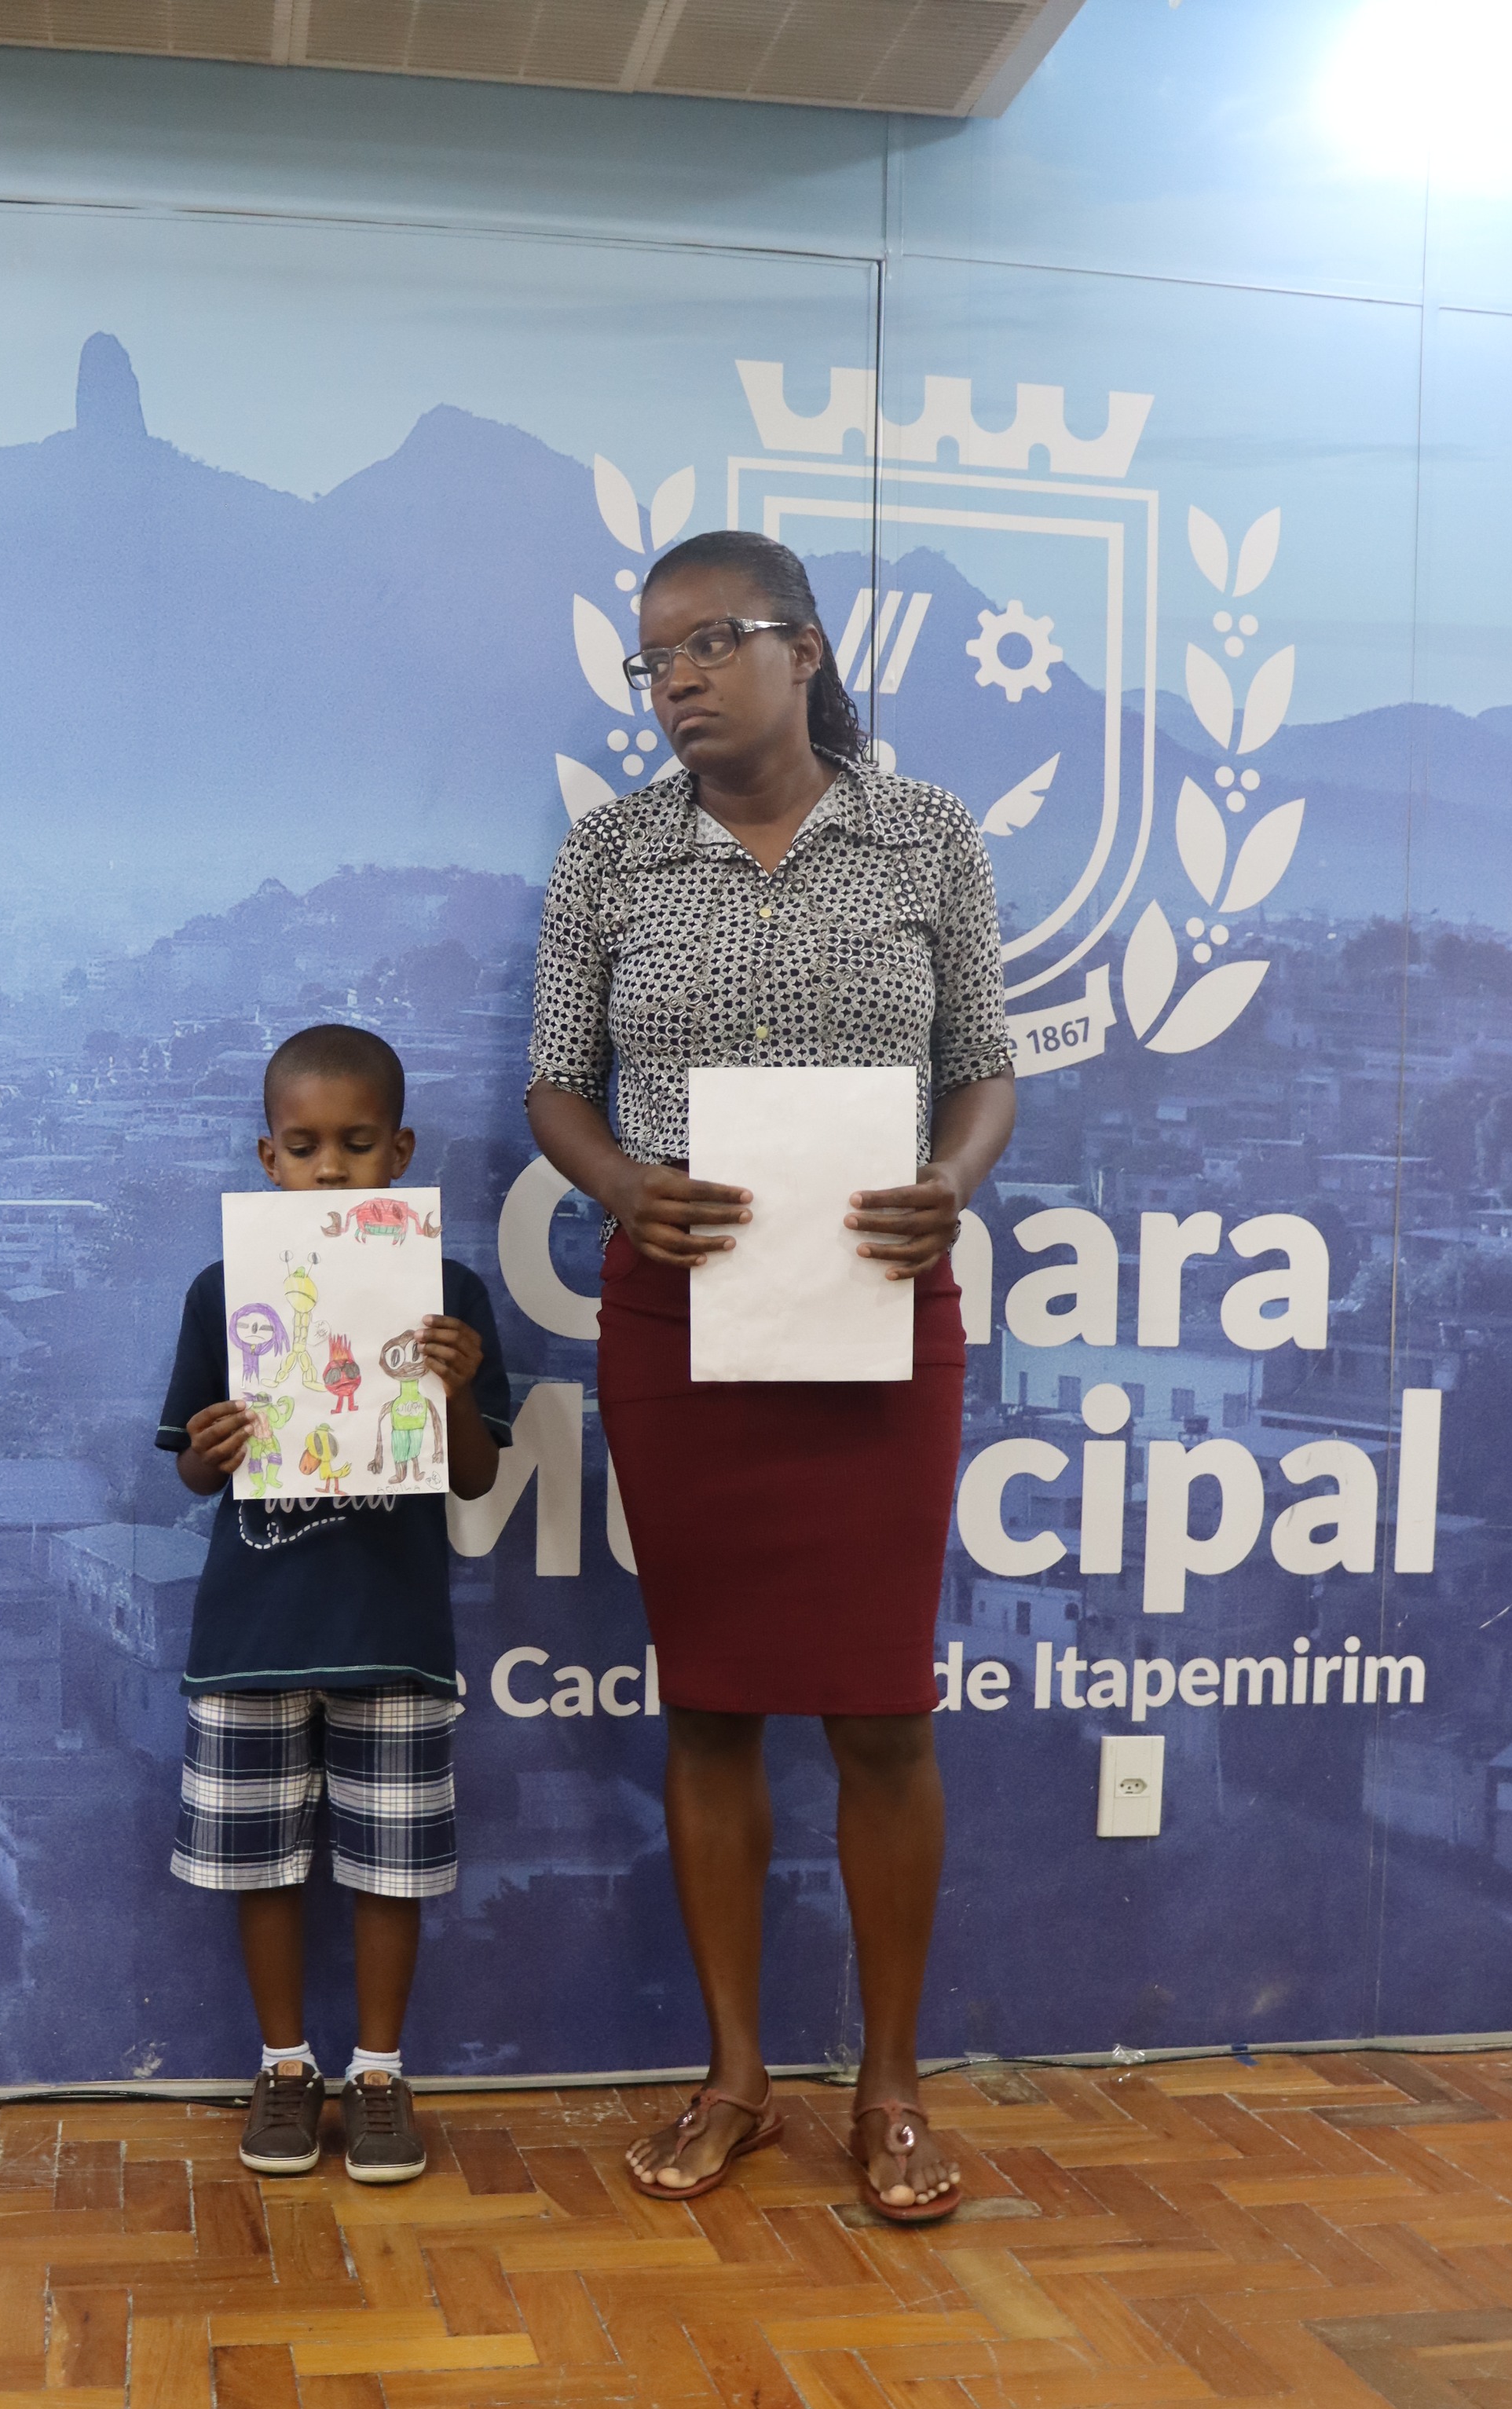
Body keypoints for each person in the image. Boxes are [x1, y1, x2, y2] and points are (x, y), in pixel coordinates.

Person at [527, 534, 1016, 2218]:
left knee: (880, 1711)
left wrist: (949, 1184)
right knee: (713, 1701)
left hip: (879, 1311)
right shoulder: (610, 855)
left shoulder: (926, 835)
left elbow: (983, 1070)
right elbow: (553, 1085)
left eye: (705, 645)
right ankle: (734, 2079)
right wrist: (619, 1185)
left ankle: (890, 2088)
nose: (672, 681)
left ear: (801, 649)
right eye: (649, 660)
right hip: (680, 1322)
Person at [158, 1022, 511, 2184]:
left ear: (400, 1151)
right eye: (303, 1147)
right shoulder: (224, 1290)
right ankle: (283, 2065)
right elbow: (191, 1472)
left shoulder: (448, 1295)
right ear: (267, 1157)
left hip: (392, 1632)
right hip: (252, 1633)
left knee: (389, 1869)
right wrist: (211, 1447)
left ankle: (378, 2073)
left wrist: (453, 1388)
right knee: (260, 1865)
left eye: (357, 1145)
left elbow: (473, 1477)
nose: (329, 1169)